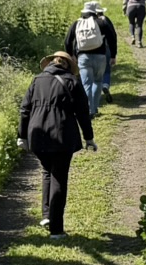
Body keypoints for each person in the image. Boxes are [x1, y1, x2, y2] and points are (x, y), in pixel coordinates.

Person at [18, 52, 95, 236]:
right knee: (59, 177)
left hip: (37, 134)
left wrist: (22, 136)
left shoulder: (37, 80)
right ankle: (56, 230)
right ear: (67, 65)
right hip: (62, 134)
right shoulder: (72, 81)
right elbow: (83, 112)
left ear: (51, 63)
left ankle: (47, 214)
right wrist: (88, 137)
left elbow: (25, 109)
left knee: (47, 171)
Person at [63, 0, 118, 115]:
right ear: (95, 12)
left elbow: (67, 41)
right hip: (100, 57)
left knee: (86, 84)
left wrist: (71, 55)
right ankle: (95, 107)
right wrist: (113, 55)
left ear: (84, 11)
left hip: (83, 57)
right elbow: (112, 38)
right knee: (98, 81)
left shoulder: (77, 23)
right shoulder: (102, 23)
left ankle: (89, 110)